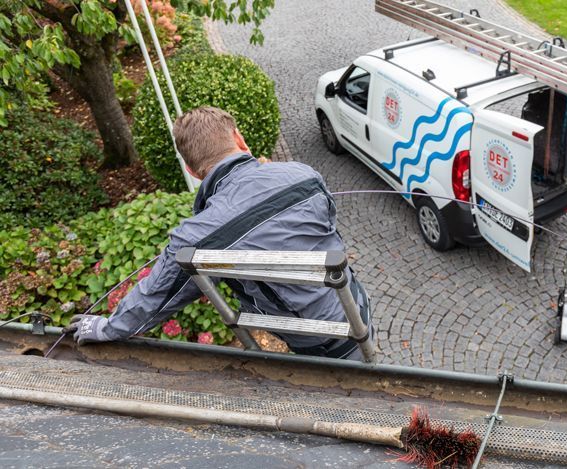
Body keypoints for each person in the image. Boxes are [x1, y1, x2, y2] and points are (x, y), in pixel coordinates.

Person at [68, 106, 372, 360]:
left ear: (192, 171)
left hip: (315, 343)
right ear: (239, 140)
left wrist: (106, 328)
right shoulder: (305, 175)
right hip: (358, 308)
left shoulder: (196, 238)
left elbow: (157, 296)